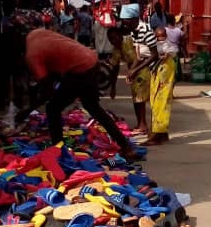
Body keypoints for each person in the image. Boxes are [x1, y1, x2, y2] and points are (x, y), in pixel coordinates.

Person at [24, 28, 139, 160]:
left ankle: (58, 150)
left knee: (52, 108)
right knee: (94, 108)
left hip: (79, 69)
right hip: (90, 59)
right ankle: (125, 146)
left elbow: (47, 89)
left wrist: (28, 109)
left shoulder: (31, 56)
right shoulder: (34, 34)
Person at [118, 3, 159, 132]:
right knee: (136, 95)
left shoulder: (145, 30)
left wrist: (135, 69)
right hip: (143, 63)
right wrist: (131, 70)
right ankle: (140, 124)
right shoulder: (134, 31)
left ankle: (143, 125)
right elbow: (138, 54)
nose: (125, 24)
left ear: (134, 19)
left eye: (126, 21)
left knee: (140, 96)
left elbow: (154, 55)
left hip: (151, 65)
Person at [106, 27, 151, 135]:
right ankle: (140, 124)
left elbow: (139, 57)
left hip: (142, 70)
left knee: (139, 99)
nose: (112, 41)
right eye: (110, 39)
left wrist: (132, 70)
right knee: (136, 99)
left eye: (114, 38)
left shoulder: (130, 41)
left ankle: (143, 125)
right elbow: (115, 68)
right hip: (133, 73)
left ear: (119, 36)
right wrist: (113, 87)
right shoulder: (116, 50)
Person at [145, 26, 177, 145]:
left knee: (160, 102)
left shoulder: (168, 45)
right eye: (158, 36)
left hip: (164, 70)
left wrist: (165, 55)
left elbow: (171, 52)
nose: (160, 39)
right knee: (156, 101)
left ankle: (157, 134)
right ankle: (162, 134)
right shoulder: (155, 44)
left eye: (162, 36)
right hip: (158, 70)